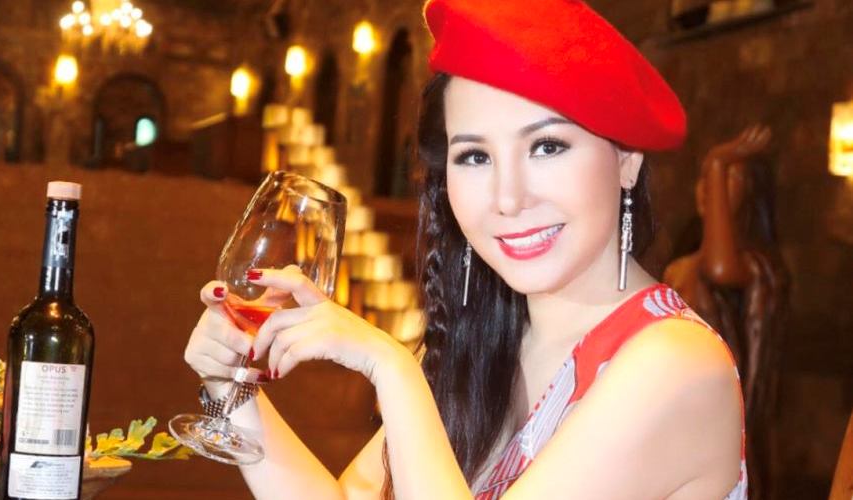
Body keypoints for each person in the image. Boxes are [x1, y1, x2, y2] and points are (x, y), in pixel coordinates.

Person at [183, 0, 748, 498]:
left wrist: (391, 369)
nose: (508, 199)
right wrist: (232, 392)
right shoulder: (481, 343)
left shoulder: (675, 363)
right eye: (475, 156)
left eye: (547, 146)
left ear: (627, 161)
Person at [664, 125, 788, 499]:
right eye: (705, 177)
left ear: (751, 194)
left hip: (730, 436)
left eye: (726, 178)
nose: (709, 187)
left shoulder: (760, 267)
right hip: (680, 423)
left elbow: (719, 270)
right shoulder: (679, 268)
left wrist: (718, 160)